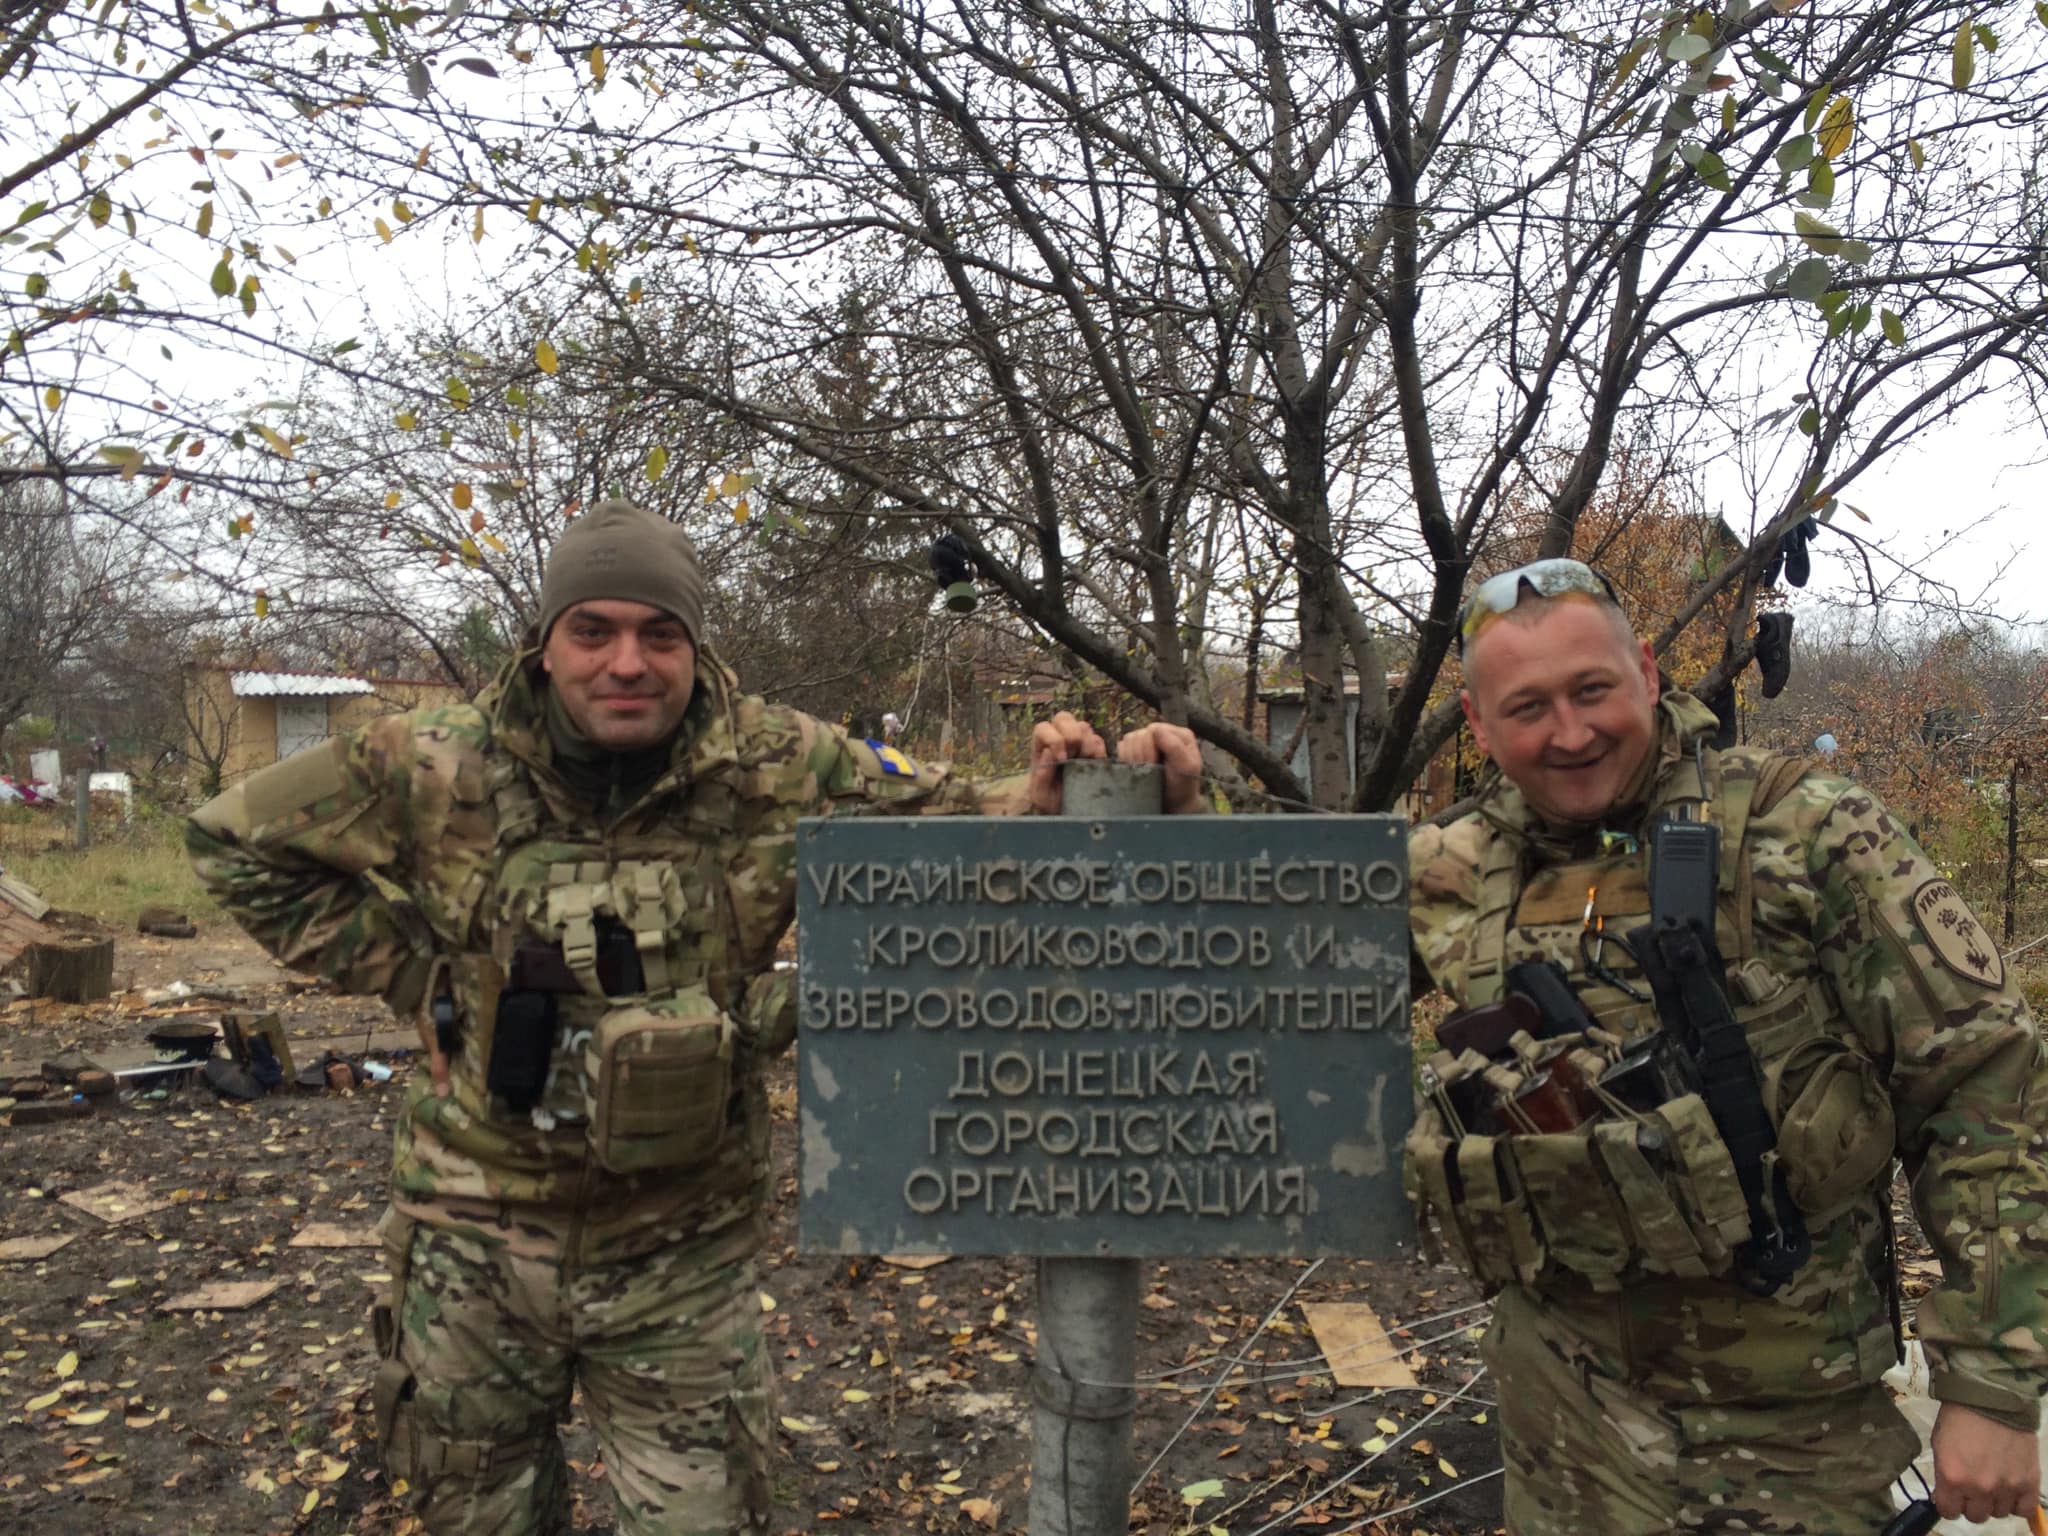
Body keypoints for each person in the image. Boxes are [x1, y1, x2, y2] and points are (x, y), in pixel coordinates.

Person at [187, 499, 1111, 1536]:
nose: (627, 663)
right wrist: (415, 976)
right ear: (546, 643)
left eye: (659, 634)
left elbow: (970, 819)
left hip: (684, 1253)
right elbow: (231, 840)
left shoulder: (779, 763)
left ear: (694, 646)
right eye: (594, 631)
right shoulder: (429, 760)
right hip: (471, 1248)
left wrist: (1067, 784)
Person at [1119, 560, 2048, 1533]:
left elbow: (1983, 1083)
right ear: (1479, 725)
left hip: (1791, 1435)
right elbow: (1253, 986)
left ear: (1645, 670)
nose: (1569, 734)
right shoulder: (1453, 866)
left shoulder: (1804, 831)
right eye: (1527, 707)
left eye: (1591, 689)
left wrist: (1992, 1383)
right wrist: (1169, 820)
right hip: (1562, 1425)